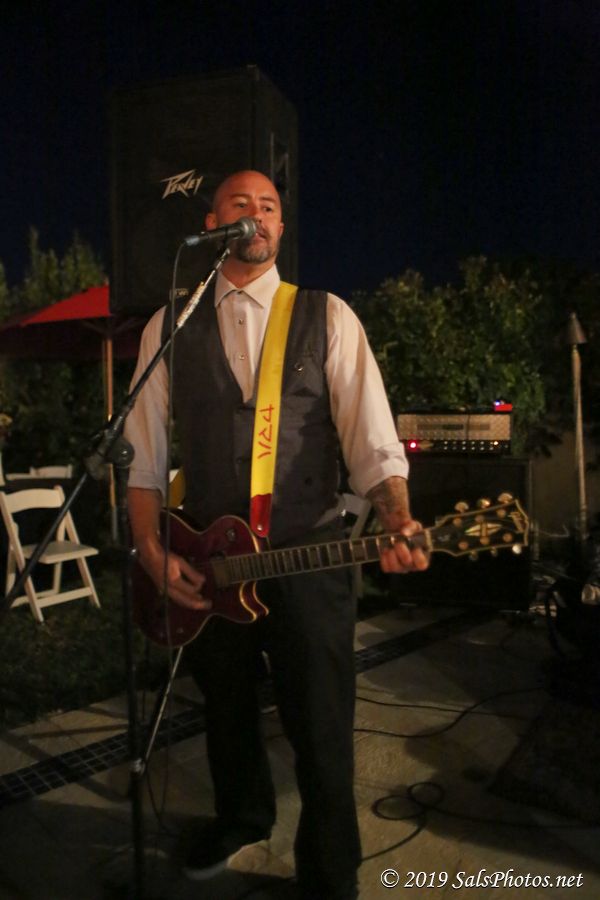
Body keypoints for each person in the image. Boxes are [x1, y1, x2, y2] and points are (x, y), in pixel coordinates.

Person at [125, 169, 429, 899]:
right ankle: (241, 818)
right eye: (241, 204)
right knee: (225, 711)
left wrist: (397, 516)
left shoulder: (328, 315)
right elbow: (141, 453)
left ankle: (329, 874)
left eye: (269, 207)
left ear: (281, 229)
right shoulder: (170, 325)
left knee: (321, 728)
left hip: (308, 559)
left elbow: (372, 439)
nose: (256, 215)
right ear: (213, 222)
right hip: (210, 562)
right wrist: (152, 550)